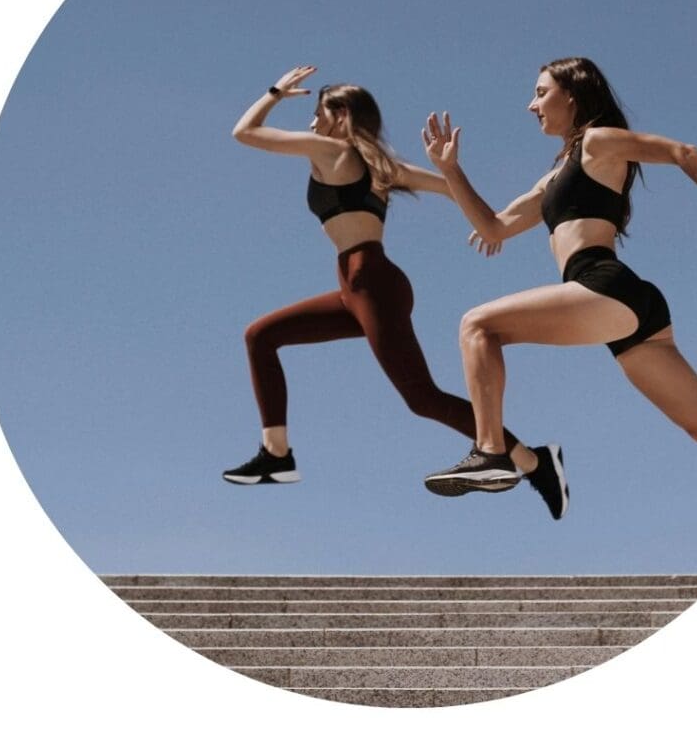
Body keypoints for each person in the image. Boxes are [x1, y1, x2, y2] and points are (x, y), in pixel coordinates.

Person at [420, 56, 697, 505]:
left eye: (541, 93)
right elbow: (495, 228)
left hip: (603, 285)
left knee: (476, 325)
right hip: (627, 307)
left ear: (572, 96)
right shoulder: (553, 178)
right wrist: (451, 170)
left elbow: (684, 152)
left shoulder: (598, 142)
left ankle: (490, 453)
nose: (531, 105)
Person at [222, 65, 570, 519]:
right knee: (261, 336)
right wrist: (491, 224)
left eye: (318, 113)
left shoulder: (331, 150)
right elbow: (450, 188)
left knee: (422, 397)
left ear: (341, 115)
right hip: (358, 287)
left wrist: (274, 92)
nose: (311, 122)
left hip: (373, 284)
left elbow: (245, 133)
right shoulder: (385, 168)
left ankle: (535, 462)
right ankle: (276, 454)